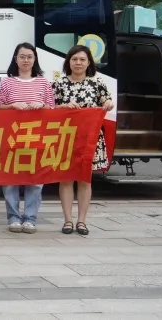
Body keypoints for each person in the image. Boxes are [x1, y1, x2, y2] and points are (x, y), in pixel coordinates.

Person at [54, 45, 114, 236]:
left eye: (82, 59)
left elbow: (108, 102)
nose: (78, 63)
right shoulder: (59, 84)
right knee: (66, 179)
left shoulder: (97, 83)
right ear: (68, 62)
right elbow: (50, 109)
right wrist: (63, 107)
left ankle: (82, 221)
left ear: (89, 63)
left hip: (90, 138)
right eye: (74, 59)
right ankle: (68, 220)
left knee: (84, 179)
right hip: (66, 137)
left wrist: (108, 103)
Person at [0, 42, 55, 234]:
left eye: (29, 56)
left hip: (37, 138)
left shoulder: (43, 82)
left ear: (35, 59)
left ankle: (30, 218)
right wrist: (12, 106)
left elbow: (52, 109)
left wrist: (42, 106)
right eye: (22, 56)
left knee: (35, 181)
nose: (26, 60)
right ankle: (13, 217)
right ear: (16, 59)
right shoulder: (7, 82)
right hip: (12, 138)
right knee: (10, 180)